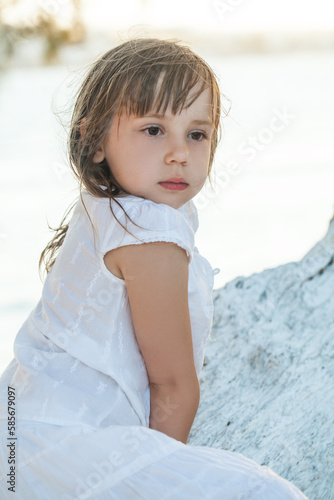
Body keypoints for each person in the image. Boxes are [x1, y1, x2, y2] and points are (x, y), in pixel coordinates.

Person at [0, 37, 308, 499]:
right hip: (64, 448)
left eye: (197, 134)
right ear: (93, 139)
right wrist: (160, 478)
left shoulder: (102, 209)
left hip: (16, 433)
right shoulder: (149, 230)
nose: (179, 152)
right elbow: (173, 386)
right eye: (153, 130)